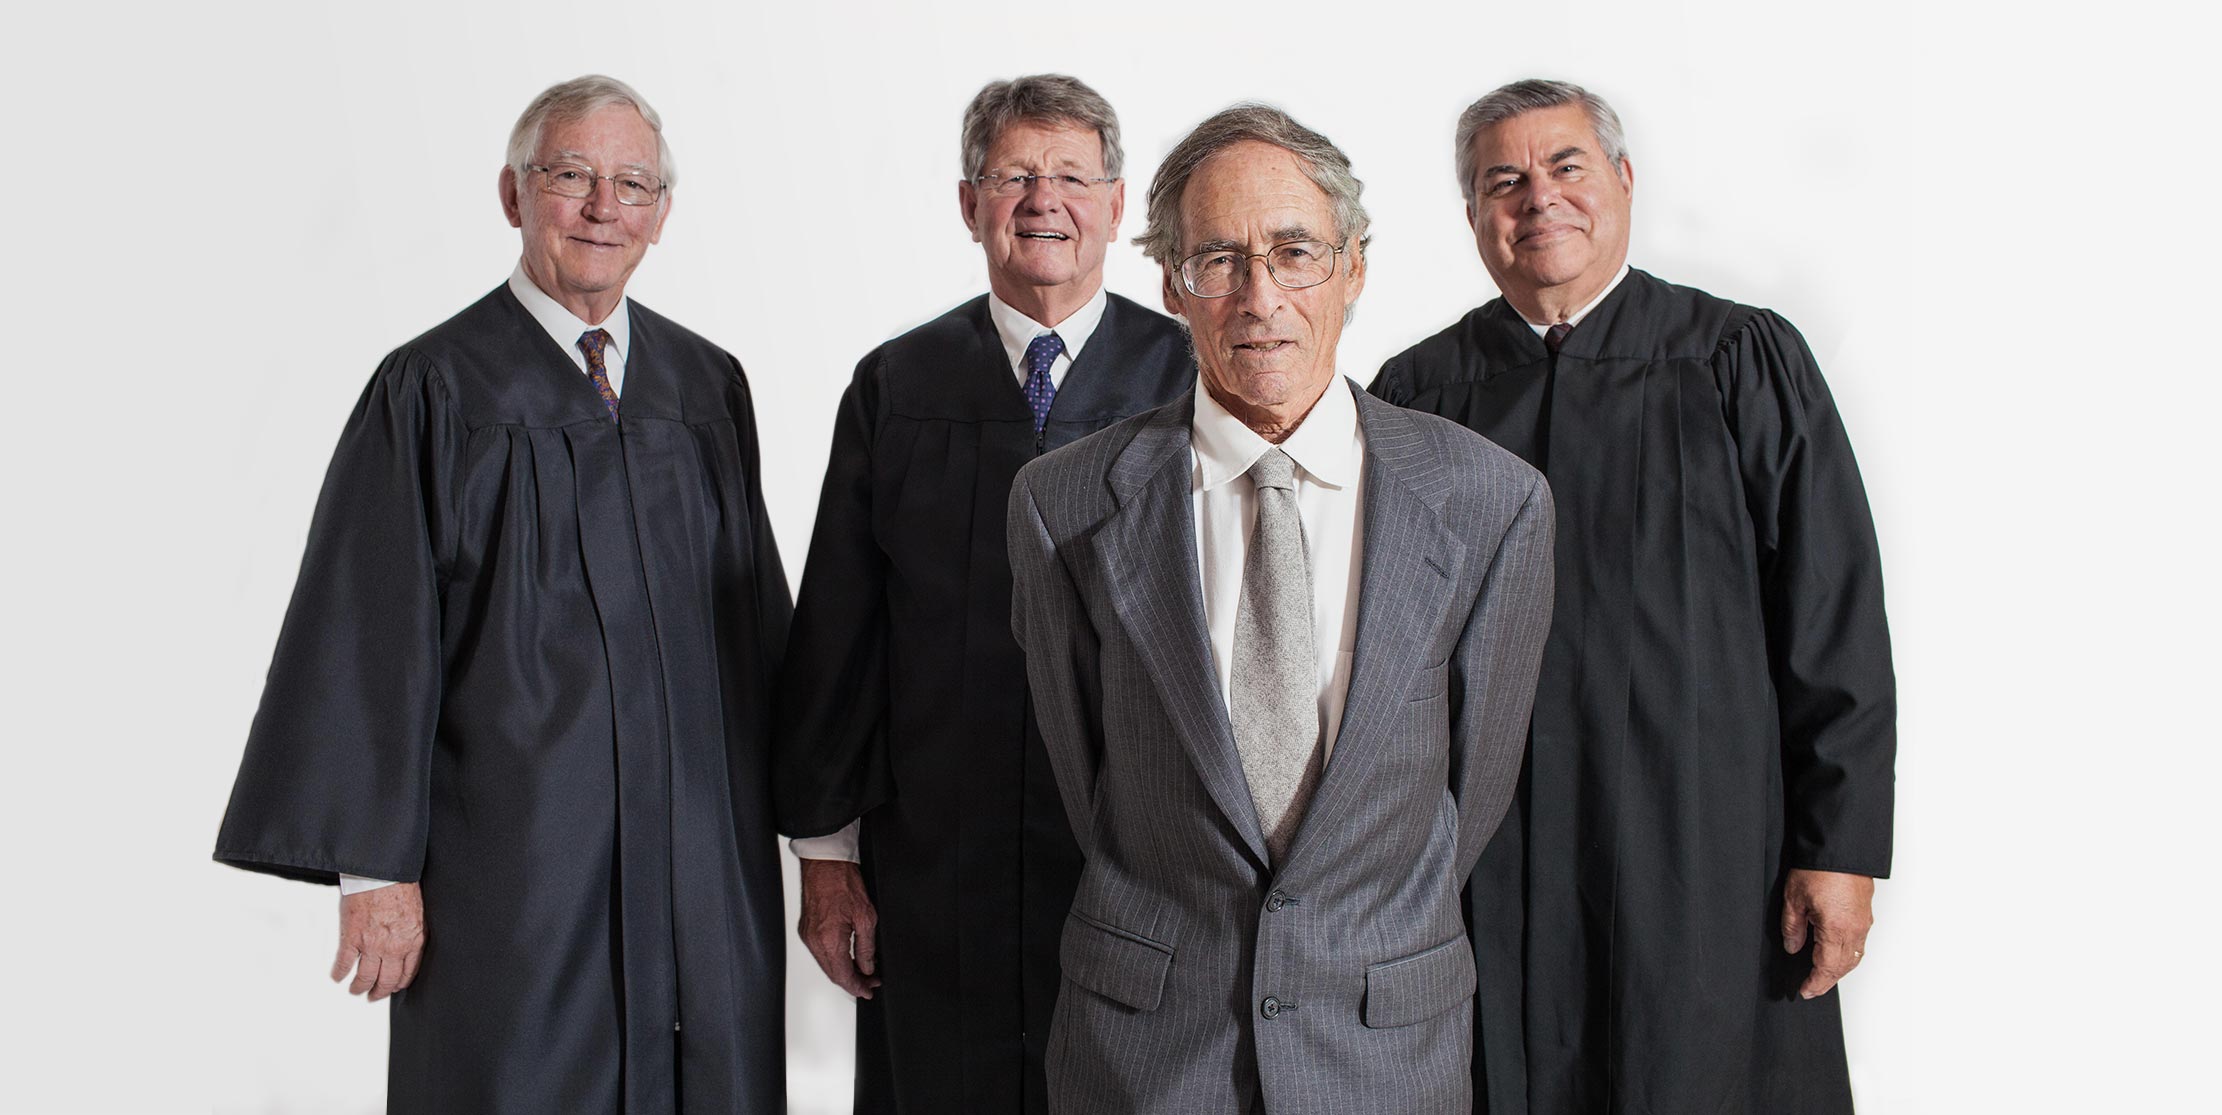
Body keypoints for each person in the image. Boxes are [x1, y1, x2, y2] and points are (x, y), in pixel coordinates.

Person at [212, 75, 791, 1114]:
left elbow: (758, 628)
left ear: (662, 214)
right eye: (570, 176)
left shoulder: (709, 388)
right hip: (520, 866)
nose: (603, 208)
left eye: (632, 184)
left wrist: (824, 834)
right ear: (512, 194)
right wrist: (372, 868)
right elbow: (366, 628)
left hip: (700, 867)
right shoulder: (433, 389)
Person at [1006, 103, 1556, 1114]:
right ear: (1171, 284)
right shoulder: (1063, 503)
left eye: (1293, 251)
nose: (1259, 296)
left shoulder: (1491, 502)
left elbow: (1467, 797)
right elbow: (1090, 786)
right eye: (1217, 258)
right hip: (1144, 1053)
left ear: (1352, 268)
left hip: (1383, 1046)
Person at [1370, 78, 1897, 1113]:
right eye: (1502, 180)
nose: (1537, 198)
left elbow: (1830, 613)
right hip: (1489, 856)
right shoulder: (1417, 394)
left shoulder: (1736, 360)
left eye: (1564, 167)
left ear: (1619, 178)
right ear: (1472, 214)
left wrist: (1839, 850)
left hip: (1701, 838)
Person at [771, 74, 1191, 1114]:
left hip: (1136, 855)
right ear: (970, 204)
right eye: (1012, 176)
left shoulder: (1188, 376)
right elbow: (839, 628)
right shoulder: (897, 385)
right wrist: (825, 859)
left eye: (1068, 176)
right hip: (935, 858)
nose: (1041, 199)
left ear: (1114, 201)